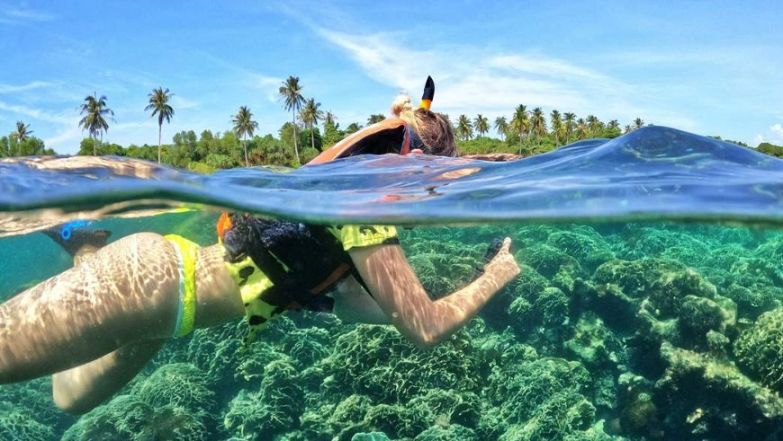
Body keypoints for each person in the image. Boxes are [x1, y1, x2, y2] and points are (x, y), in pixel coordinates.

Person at [0, 77, 521, 414]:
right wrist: (496, 275)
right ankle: (89, 252)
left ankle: (85, 246)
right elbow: (425, 328)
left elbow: (357, 306)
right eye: (430, 187)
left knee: (69, 399)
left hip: (160, 314)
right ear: (413, 171)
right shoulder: (364, 215)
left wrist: (408, 305)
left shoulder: (352, 216)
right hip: (146, 286)